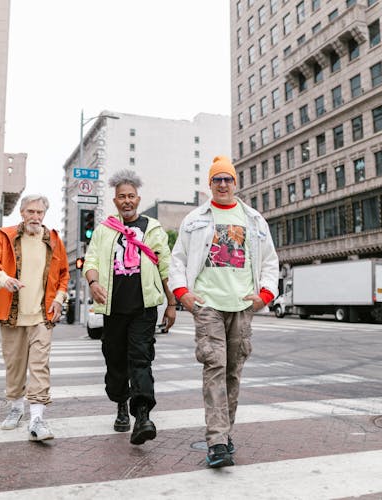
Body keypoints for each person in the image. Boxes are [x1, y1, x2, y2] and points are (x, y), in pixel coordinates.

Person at [169, 156, 279, 468]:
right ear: (210, 184)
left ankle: (225, 433)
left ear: (235, 183)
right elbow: (178, 260)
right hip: (208, 305)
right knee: (214, 367)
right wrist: (183, 294)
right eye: (217, 179)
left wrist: (264, 296)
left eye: (227, 179)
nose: (222, 184)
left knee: (233, 371)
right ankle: (217, 441)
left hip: (243, 305)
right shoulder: (195, 219)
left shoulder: (254, 219)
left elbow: (270, 261)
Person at [82, 169, 176, 445]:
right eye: (121, 196)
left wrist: (171, 303)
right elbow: (91, 261)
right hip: (112, 309)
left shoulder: (153, 228)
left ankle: (143, 416)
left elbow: (165, 267)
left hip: (143, 309)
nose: (126, 201)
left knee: (141, 360)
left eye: (131, 196)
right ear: (115, 201)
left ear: (138, 199)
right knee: (115, 362)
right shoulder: (104, 231)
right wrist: (93, 282)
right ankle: (121, 403)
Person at [0, 194, 69, 441]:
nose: (35, 217)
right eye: (30, 211)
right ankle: (16, 409)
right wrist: (3, 280)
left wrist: (59, 299)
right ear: (22, 212)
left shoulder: (53, 239)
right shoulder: (6, 236)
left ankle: (37, 419)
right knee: (14, 364)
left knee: (40, 366)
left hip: (42, 314)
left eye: (39, 213)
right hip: (11, 314)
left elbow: (64, 274)